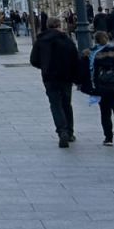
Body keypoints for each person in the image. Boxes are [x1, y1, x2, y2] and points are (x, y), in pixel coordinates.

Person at [80, 30, 114, 150]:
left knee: (105, 114)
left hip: (102, 88)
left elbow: (85, 73)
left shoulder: (91, 54)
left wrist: (88, 87)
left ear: (95, 40)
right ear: (108, 39)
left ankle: (108, 138)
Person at [30, 19, 80, 148]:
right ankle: (69, 132)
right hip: (66, 77)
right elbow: (75, 59)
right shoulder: (67, 40)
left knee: (55, 105)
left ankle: (61, 131)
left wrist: (45, 67)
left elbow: (34, 60)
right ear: (59, 26)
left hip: (49, 77)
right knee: (66, 104)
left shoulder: (41, 40)